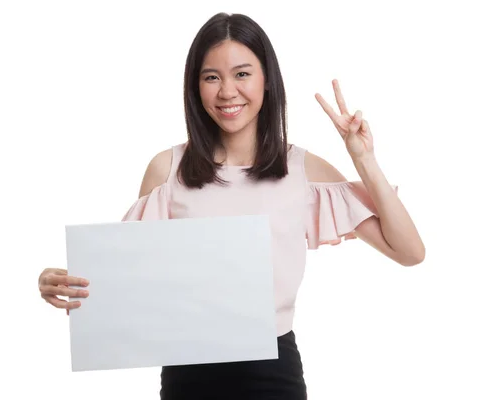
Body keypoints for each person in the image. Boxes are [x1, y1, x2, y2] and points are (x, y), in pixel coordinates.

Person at [38, 12, 425, 400]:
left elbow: (409, 252)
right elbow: (126, 286)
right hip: (187, 374)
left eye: (242, 74)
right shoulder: (166, 170)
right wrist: (61, 282)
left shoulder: (303, 170)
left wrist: (364, 159)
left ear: (266, 79)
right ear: (195, 86)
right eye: (211, 77)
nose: (227, 91)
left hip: (273, 374)